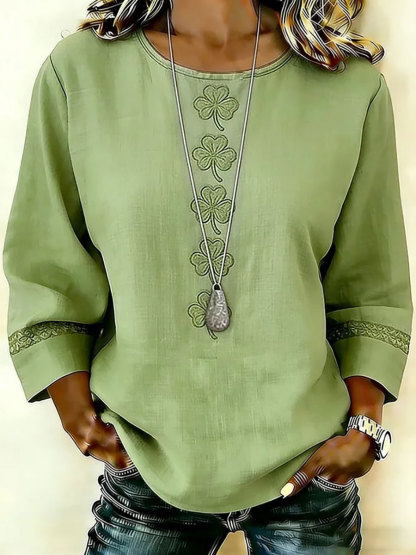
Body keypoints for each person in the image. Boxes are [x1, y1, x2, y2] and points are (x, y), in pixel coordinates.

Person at [3, 0, 413, 553]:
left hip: (310, 467)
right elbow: (45, 261)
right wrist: (76, 412)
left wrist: (365, 428)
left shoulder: (349, 87)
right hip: (144, 460)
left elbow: (370, 285)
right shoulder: (79, 73)